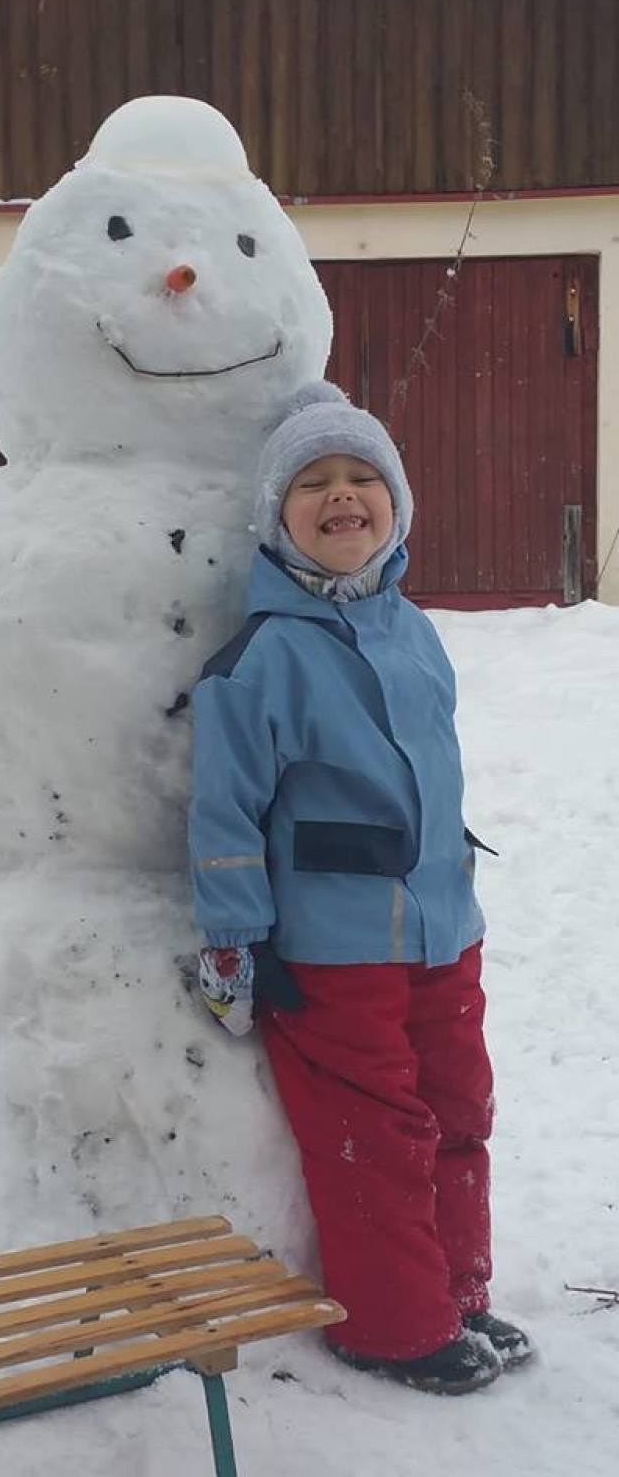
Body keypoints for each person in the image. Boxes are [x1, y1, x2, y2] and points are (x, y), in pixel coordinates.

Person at [188, 382, 533, 1395]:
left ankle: (457, 1294)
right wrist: (234, 943)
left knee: (459, 1109)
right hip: (334, 951)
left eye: (360, 479)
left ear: (396, 507)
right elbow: (223, 817)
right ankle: (391, 1327)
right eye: (311, 483)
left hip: (440, 928)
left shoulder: (412, 632)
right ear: (274, 517)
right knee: (374, 1139)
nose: (341, 497)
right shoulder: (259, 658)